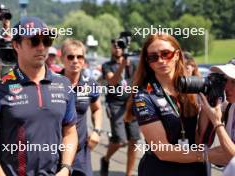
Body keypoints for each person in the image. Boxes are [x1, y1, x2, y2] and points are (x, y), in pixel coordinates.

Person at [0, 16, 78, 176]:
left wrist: (65, 168)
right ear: (16, 45)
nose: (41, 47)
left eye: (47, 41)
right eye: (34, 41)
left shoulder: (64, 85)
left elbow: (70, 133)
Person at [126, 33, 209, 176]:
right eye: (153, 57)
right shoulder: (144, 96)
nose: (161, 60)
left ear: (177, 55)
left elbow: (200, 135)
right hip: (160, 169)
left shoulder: (191, 88)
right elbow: (163, 151)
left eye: (166, 54)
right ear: (147, 61)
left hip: (194, 167)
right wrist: (210, 155)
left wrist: (212, 103)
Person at [60, 39, 102, 176]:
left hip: (81, 152)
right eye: (71, 57)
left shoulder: (90, 84)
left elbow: (97, 109)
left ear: (84, 60)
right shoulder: (50, 83)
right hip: (54, 151)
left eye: (80, 57)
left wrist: (97, 131)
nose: (75, 60)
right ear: (62, 59)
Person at [100, 39, 141, 176]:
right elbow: (112, 82)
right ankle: (105, 159)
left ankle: (128, 173)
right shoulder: (107, 65)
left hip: (130, 103)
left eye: (120, 46)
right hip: (115, 105)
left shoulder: (133, 64)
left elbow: (137, 82)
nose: (117, 49)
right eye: (115, 46)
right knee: (120, 141)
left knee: (134, 140)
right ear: (111, 49)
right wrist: (122, 66)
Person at [200, 59, 235, 176]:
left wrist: (217, 122)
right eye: (225, 80)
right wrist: (208, 101)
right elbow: (201, 141)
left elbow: (232, 157)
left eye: (234, 82)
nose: (226, 87)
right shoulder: (231, 107)